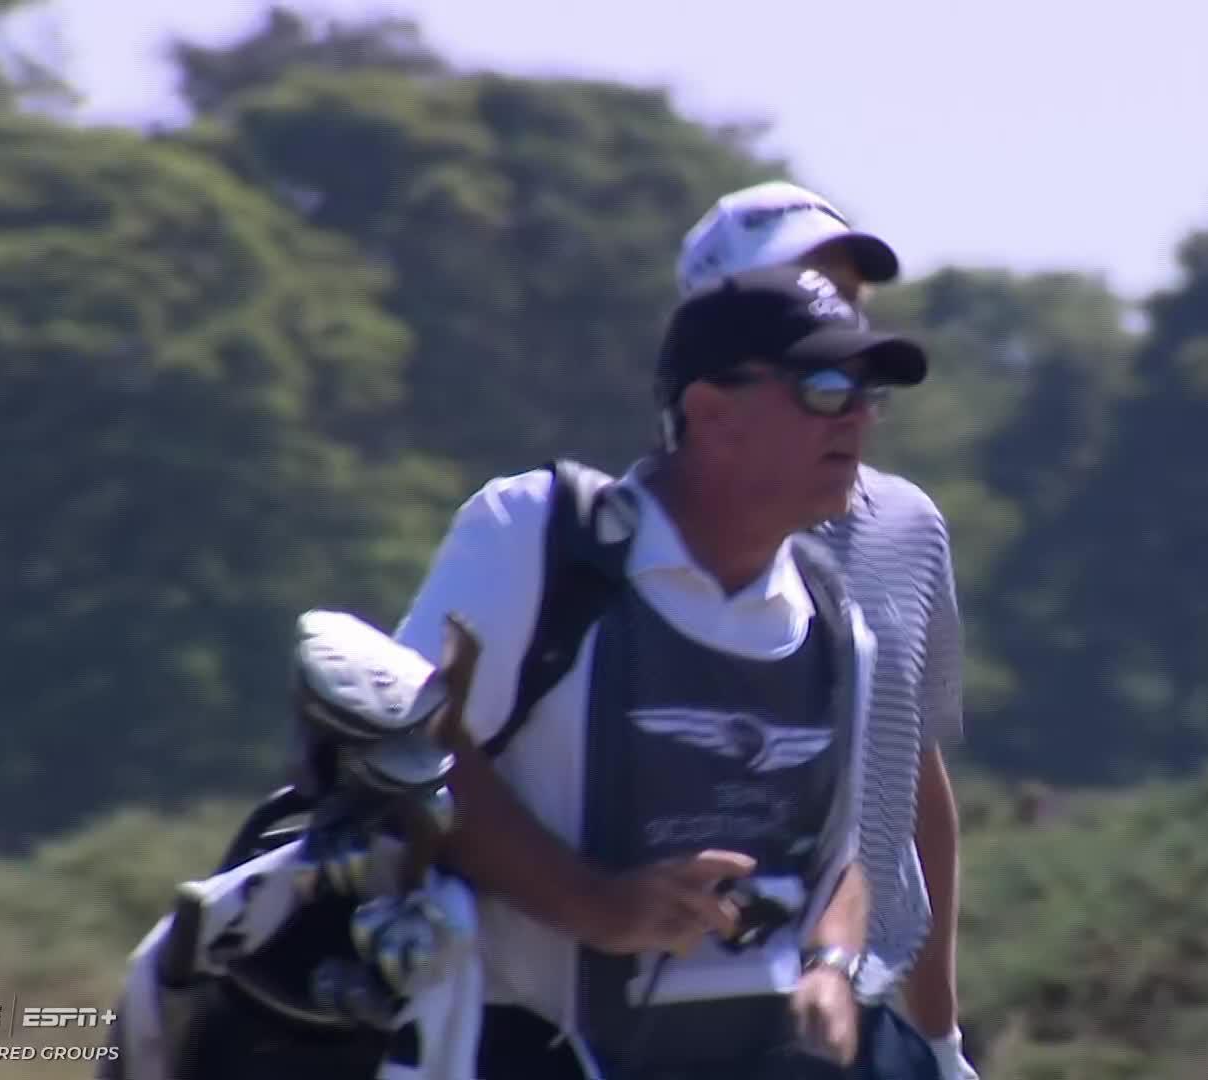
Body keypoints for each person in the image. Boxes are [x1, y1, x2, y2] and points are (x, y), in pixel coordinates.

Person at [391, 265, 940, 1079]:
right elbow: (402, 753)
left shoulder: (834, 621)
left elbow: (843, 861)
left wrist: (830, 969)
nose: (859, 416)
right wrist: (595, 906)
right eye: (826, 388)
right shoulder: (540, 537)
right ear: (714, 414)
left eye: (871, 394)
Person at [678, 181, 978, 1080]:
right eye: (802, 293)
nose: (833, 320)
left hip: (874, 1017)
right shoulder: (627, 535)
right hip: (695, 1017)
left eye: (847, 299)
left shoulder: (908, 525)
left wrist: (940, 1039)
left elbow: (915, 783)